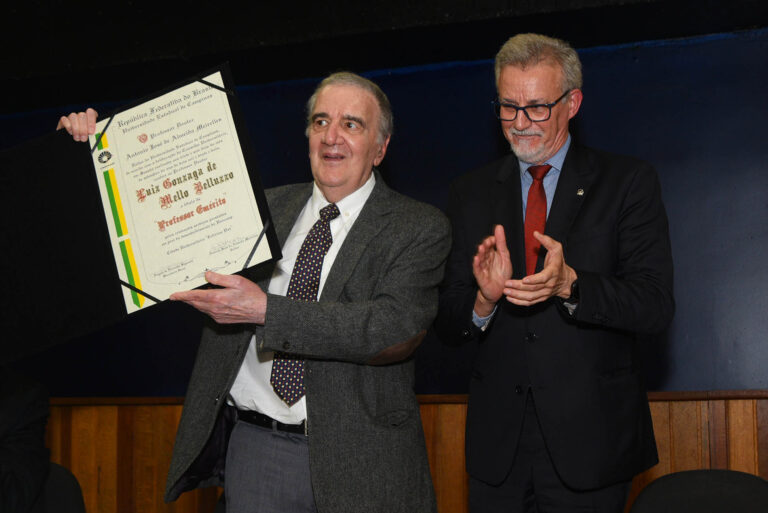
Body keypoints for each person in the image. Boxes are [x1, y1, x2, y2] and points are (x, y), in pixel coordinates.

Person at [163, 72, 447, 512]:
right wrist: (93, 151)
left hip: (365, 459)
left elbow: (391, 329)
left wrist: (266, 311)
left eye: (351, 124)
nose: (331, 136)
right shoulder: (259, 210)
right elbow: (162, 222)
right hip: (259, 453)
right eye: (320, 122)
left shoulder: (418, 227)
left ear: (380, 148)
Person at [435, 34, 674, 512]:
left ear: (573, 103)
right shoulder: (470, 193)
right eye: (508, 107)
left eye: (537, 107)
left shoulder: (627, 182)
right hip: (497, 451)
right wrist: (483, 300)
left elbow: (653, 306)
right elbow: (446, 321)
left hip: (593, 445)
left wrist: (572, 285)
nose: (520, 122)